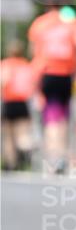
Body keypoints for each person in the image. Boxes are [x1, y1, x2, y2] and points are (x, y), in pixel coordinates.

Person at [28, 2, 76, 173]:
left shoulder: (39, 23)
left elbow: (33, 51)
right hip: (67, 74)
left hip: (47, 73)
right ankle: (62, 155)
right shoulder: (72, 22)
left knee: (51, 116)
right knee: (63, 116)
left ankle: (54, 158)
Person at [1, 40, 36, 171]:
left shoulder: (6, 65)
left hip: (9, 101)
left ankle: (10, 162)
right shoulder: (26, 66)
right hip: (23, 102)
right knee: (23, 134)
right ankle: (26, 154)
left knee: (8, 134)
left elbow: (3, 81)